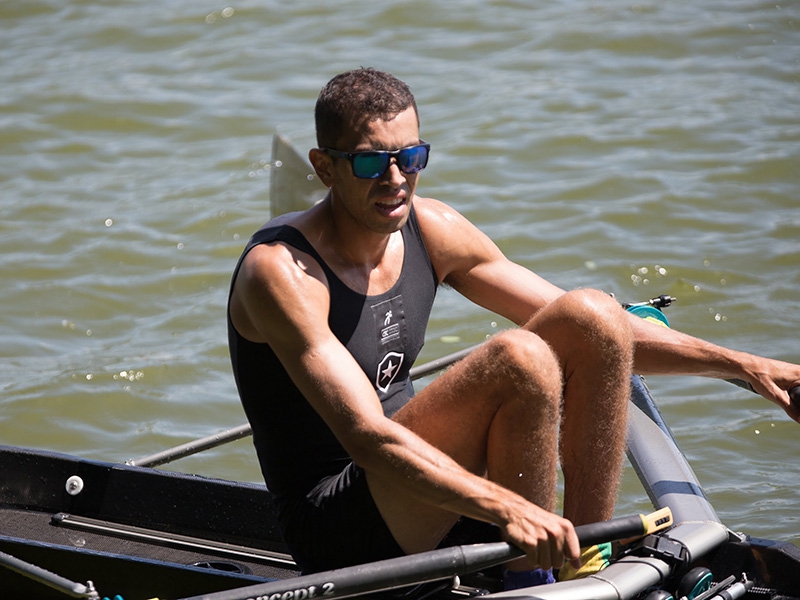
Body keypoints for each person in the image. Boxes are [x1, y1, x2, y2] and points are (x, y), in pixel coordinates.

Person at [227, 68, 800, 587]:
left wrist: (750, 369)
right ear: (323, 166)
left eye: (412, 156)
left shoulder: (433, 229)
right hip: (341, 530)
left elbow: (603, 333)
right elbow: (368, 439)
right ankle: (528, 582)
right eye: (372, 162)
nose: (397, 179)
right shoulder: (282, 274)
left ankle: (581, 554)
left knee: (594, 312)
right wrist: (506, 508)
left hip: (436, 491)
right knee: (519, 360)